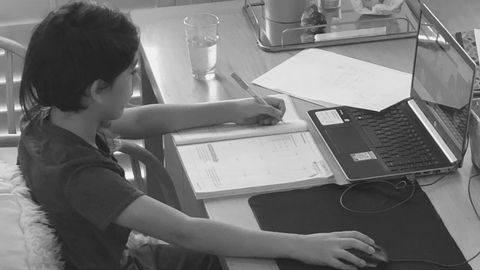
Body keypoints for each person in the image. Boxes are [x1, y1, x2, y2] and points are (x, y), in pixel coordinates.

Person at [17, 1, 376, 270]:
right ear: (98, 89)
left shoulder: (51, 118)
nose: (133, 81)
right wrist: (300, 245)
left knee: (239, 238)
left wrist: (236, 109)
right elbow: (186, 231)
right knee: (246, 249)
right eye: (131, 73)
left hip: (112, 252)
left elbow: (139, 122)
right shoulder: (83, 178)